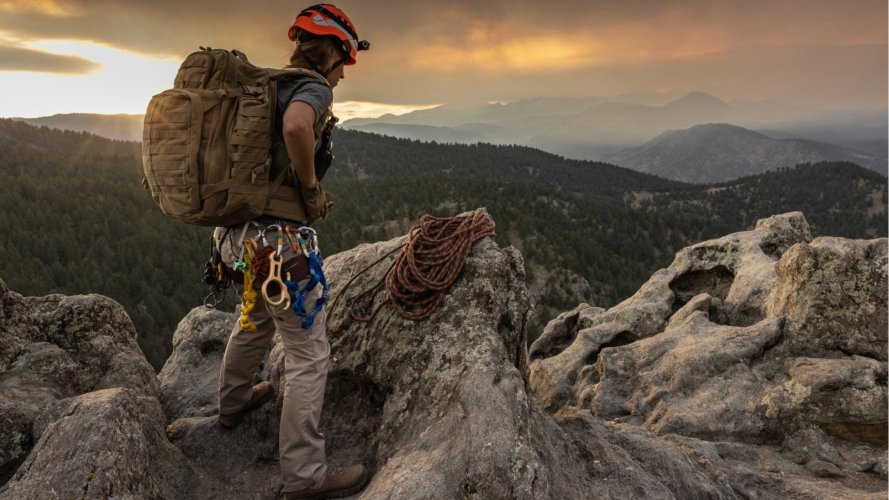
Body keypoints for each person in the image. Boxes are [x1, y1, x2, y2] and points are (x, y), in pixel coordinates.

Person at [213, 5, 369, 500]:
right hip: (281, 243)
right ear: (334, 52)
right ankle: (305, 477)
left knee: (255, 317)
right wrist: (310, 189)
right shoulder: (313, 87)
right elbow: (299, 128)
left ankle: (233, 403)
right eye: (345, 62)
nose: (343, 76)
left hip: (237, 238)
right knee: (307, 354)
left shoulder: (268, 84)